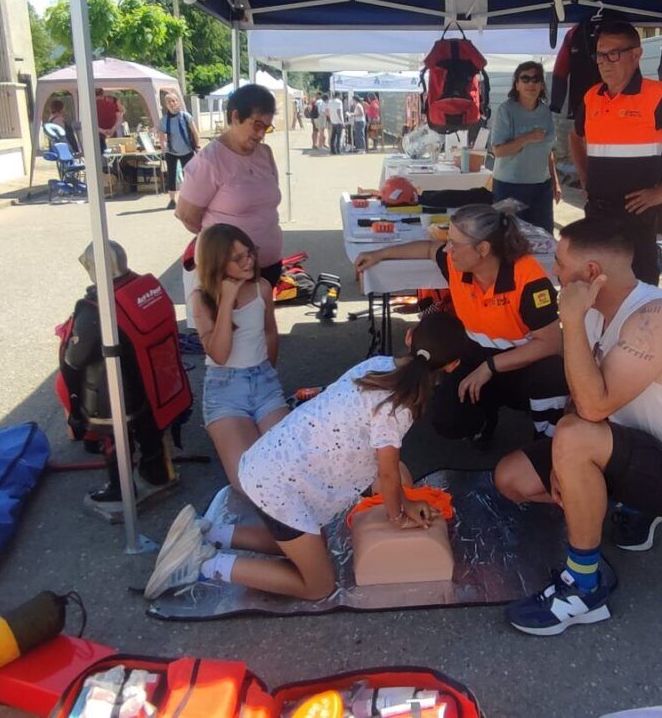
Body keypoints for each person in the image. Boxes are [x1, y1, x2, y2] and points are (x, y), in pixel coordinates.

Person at [498, 216, 662, 636]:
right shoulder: (591, 313)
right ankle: (619, 506)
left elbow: (593, 404)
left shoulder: (657, 316)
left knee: (573, 434)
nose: (554, 272)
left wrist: (568, 321)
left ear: (590, 274)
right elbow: (575, 399)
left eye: (560, 264)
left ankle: (584, 588)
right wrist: (564, 462)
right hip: (621, 447)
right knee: (511, 478)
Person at [144, 311, 471, 601]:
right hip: (279, 488)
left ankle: (208, 532)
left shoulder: (378, 366)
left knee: (310, 543)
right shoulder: (399, 407)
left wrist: (399, 495)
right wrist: (400, 514)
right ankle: (201, 564)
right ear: (453, 365)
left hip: (269, 465)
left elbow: (377, 456)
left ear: (409, 336)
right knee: (318, 586)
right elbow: (386, 474)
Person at [354, 205, 568, 446]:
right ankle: (486, 419)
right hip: (475, 355)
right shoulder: (459, 266)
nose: (448, 249)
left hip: (525, 364)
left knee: (552, 374)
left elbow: (552, 343)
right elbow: (427, 248)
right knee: (447, 419)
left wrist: (490, 367)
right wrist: (380, 254)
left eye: (455, 244)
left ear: (483, 249)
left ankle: (547, 441)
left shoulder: (530, 281)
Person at [568, 21, 662, 284]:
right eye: (600, 55)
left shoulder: (658, 96)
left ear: (636, 54)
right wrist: (584, 176)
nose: (604, 62)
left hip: (636, 221)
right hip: (597, 215)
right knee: (596, 289)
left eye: (613, 54)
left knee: (639, 296)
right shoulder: (592, 96)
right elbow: (575, 137)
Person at [58, 241, 186, 511]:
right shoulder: (142, 287)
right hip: (148, 382)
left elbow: (75, 357)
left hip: (109, 391)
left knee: (115, 441)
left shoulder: (95, 307)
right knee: (150, 431)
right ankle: (159, 473)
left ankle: (119, 490)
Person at [192, 223, 289, 492]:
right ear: (218, 263)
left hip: (263, 381)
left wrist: (268, 371)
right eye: (238, 258)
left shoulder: (262, 287)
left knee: (288, 464)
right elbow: (220, 355)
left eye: (250, 252)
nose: (250, 261)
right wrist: (226, 302)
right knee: (249, 480)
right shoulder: (201, 299)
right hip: (225, 390)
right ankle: (225, 529)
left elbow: (270, 333)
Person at [176, 84, 285, 286]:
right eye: (257, 125)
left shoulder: (265, 153)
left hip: (269, 264)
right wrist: (224, 245)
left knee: (262, 316)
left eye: (267, 127)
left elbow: (269, 201)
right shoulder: (209, 161)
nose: (262, 134)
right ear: (235, 117)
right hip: (229, 271)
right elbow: (186, 215)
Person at [490, 62, 561, 234]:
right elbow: (498, 151)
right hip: (509, 186)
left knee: (543, 238)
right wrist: (527, 138)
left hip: (541, 187)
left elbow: (548, 151)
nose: (531, 84)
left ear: (542, 85)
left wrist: (555, 181)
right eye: (525, 79)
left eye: (536, 79)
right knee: (508, 238)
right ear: (517, 84)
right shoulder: (505, 110)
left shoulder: (546, 112)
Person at [157, 92, 201, 211]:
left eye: (174, 101)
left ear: (178, 102)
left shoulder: (185, 116)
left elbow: (195, 132)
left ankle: (190, 199)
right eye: (169, 102)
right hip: (171, 151)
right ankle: (172, 200)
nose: (172, 104)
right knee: (171, 175)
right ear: (166, 104)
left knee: (189, 175)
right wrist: (163, 148)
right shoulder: (164, 120)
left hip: (187, 150)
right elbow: (161, 135)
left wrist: (198, 145)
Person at [95, 88, 123, 155]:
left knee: (99, 158)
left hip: (96, 136)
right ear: (103, 95)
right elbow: (119, 119)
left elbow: (88, 123)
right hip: (112, 135)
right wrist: (112, 130)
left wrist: (102, 131)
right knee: (113, 157)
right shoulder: (112, 105)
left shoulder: (90, 106)